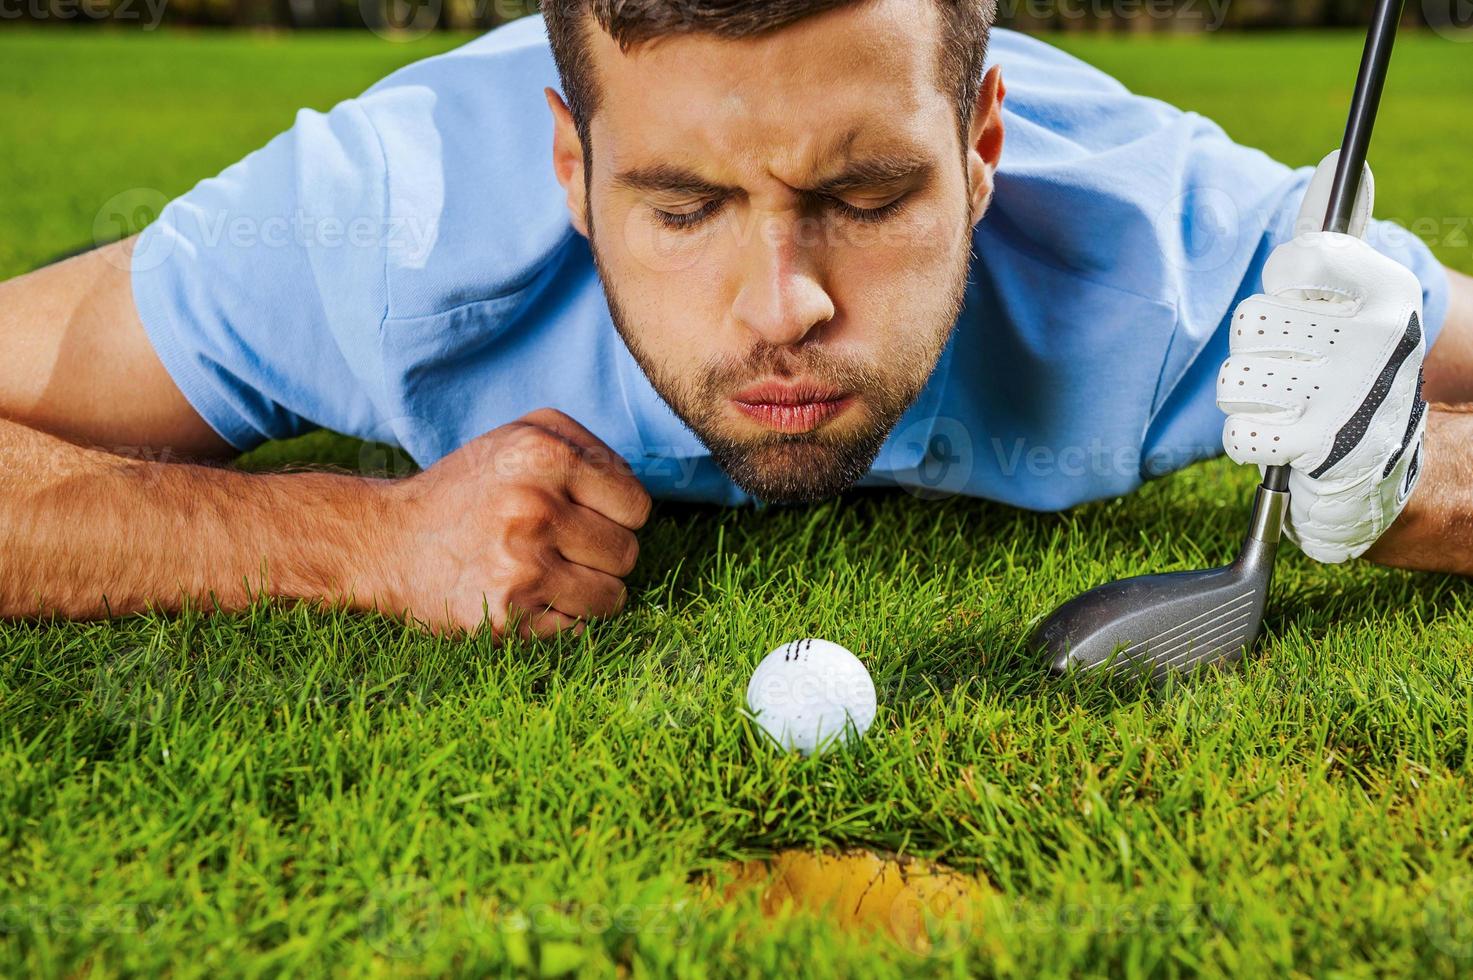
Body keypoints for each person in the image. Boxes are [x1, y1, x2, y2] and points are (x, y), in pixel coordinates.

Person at [1, 0, 1468, 640]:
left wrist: (1410, 470)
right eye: (684, 205)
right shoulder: (370, 225)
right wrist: (357, 542)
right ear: (570, 168)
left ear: (980, 152)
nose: (785, 308)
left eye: (871, 194)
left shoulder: (1174, 243)